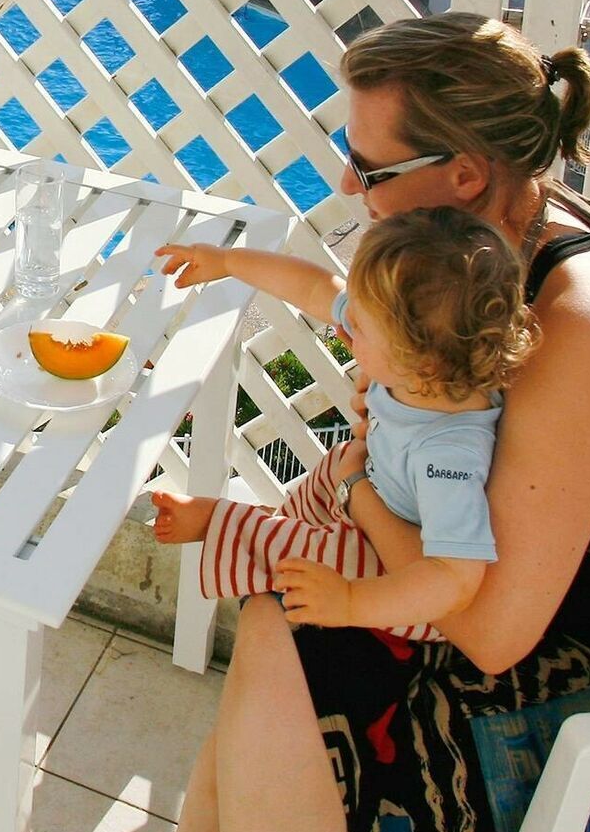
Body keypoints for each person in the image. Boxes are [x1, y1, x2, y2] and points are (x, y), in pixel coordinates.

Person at [61, 13, 590, 832]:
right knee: (290, 612)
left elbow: (494, 635)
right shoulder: (477, 250)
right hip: (524, 581)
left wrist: (359, 484)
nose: (349, 187)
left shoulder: (576, 324)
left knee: (293, 628)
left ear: (464, 172)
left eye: (369, 167)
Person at [150, 206, 537, 642]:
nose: (344, 330)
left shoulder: (446, 453)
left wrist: (351, 600)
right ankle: (281, 521)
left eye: (361, 328)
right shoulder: (424, 364)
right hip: (374, 482)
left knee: (311, 553)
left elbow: (456, 578)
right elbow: (314, 286)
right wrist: (226, 261)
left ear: (420, 362)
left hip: (406, 584)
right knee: (331, 469)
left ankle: (221, 524)